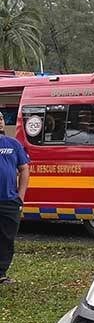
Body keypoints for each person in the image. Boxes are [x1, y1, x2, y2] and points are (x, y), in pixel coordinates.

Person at [0, 122, 30, 285]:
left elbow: (24, 168)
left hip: (9, 201)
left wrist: (21, 195)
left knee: (7, 238)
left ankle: (1, 273)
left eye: (1, 118)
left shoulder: (13, 144)